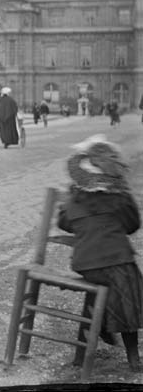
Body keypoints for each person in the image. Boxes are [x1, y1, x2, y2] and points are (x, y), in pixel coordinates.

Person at [58, 134, 142, 372]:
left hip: (85, 263)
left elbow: (64, 222)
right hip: (118, 262)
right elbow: (133, 224)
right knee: (129, 293)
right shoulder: (119, 197)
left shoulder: (75, 196)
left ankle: (103, 325)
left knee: (109, 285)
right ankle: (133, 356)